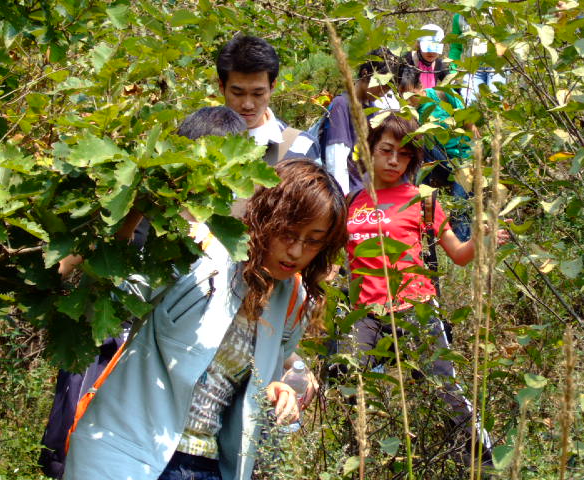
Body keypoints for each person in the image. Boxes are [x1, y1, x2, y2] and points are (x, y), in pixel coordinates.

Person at [64, 158, 348, 480]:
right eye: (288, 233)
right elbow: (107, 302)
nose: (296, 251)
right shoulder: (198, 251)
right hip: (127, 454)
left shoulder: (293, 299)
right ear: (265, 217)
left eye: (313, 240)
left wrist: (281, 389)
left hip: (208, 467)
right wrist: (129, 218)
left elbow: (269, 372)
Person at [40, 106, 249, 479]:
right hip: (105, 364)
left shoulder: (228, 246)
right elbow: (80, 280)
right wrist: (132, 214)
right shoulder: (141, 210)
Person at [345, 113, 509, 459]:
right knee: (347, 383)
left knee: (446, 390)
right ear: (369, 150)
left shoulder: (422, 199)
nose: (394, 161)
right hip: (366, 313)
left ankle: (484, 461)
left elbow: (459, 254)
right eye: (386, 150)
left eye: (404, 155)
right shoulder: (351, 202)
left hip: (415, 308)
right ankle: (359, 459)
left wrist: (483, 239)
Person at [400, 66, 478, 241]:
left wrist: (476, 158)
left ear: (420, 87)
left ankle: (462, 245)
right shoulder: (411, 114)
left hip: (463, 159)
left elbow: (470, 126)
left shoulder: (442, 95)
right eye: (403, 97)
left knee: (460, 204)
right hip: (439, 162)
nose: (409, 101)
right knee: (419, 140)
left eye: (411, 95)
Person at [217, 34, 320, 165]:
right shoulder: (202, 138)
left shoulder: (301, 146)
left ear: (272, 86)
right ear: (221, 86)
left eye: (258, 94)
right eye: (238, 93)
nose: (248, 105)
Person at [323, 47, 399, 194]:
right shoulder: (342, 105)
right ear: (365, 74)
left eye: (388, 87)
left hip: (365, 193)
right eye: (382, 85)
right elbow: (336, 161)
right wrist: (344, 199)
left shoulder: (372, 108)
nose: (384, 92)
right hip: (348, 195)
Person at [449, 13, 506, 105]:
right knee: (469, 103)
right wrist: (453, 70)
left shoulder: (495, 11)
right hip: (473, 67)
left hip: (495, 66)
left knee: (496, 101)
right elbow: (456, 47)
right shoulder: (458, 17)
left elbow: (504, 36)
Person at [402, 24, 448, 91]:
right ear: (419, 45)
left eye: (435, 49)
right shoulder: (407, 59)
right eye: (428, 48)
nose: (431, 53)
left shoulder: (439, 64)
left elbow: (453, 86)